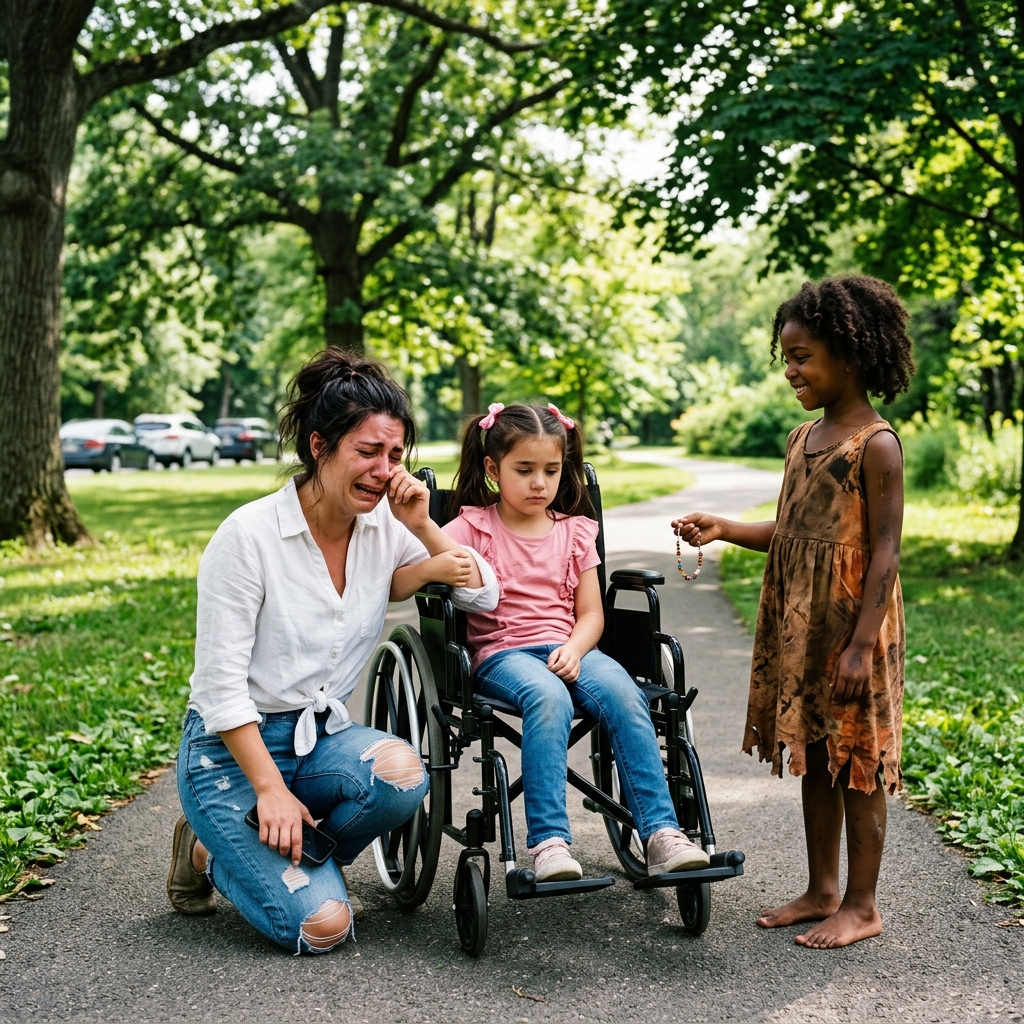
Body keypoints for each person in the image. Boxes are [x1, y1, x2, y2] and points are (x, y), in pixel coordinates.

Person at [166, 348, 498, 954]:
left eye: (395, 455)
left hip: (317, 740)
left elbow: (483, 595)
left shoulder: (387, 527)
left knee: (402, 776)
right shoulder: (248, 537)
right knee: (323, 929)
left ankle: (289, 858)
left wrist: (425, 526)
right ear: (319, 447)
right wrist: (270, 789)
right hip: (230, 757)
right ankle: (209, 848)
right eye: (367, 452)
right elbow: (218, 690)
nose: (384, 470)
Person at [674, 276, 913, 949]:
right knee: (814, 751)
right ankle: (822, 888)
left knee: (857, 763)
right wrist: (723, 527)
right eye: (788, 356)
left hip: (853, 630)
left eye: (803, 356)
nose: (790, 370)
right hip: (804, 631)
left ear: (852, 354)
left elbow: (886, 552)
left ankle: (863, 906)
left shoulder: (876, 445)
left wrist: (862, 645)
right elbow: (792, 532)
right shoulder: (802, 437)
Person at [442, 401, 710, 883]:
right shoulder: (471, 528)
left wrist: (576, 648)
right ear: (492, 468)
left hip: (572, 647)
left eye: (551, 469)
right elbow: (420, 561)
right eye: (524, 470)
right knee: (546, 697)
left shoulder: (574, 532)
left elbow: (591, 614)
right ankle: (549, 842)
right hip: (501, 654)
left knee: (626, 694)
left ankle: (662, 834)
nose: (539, 483)